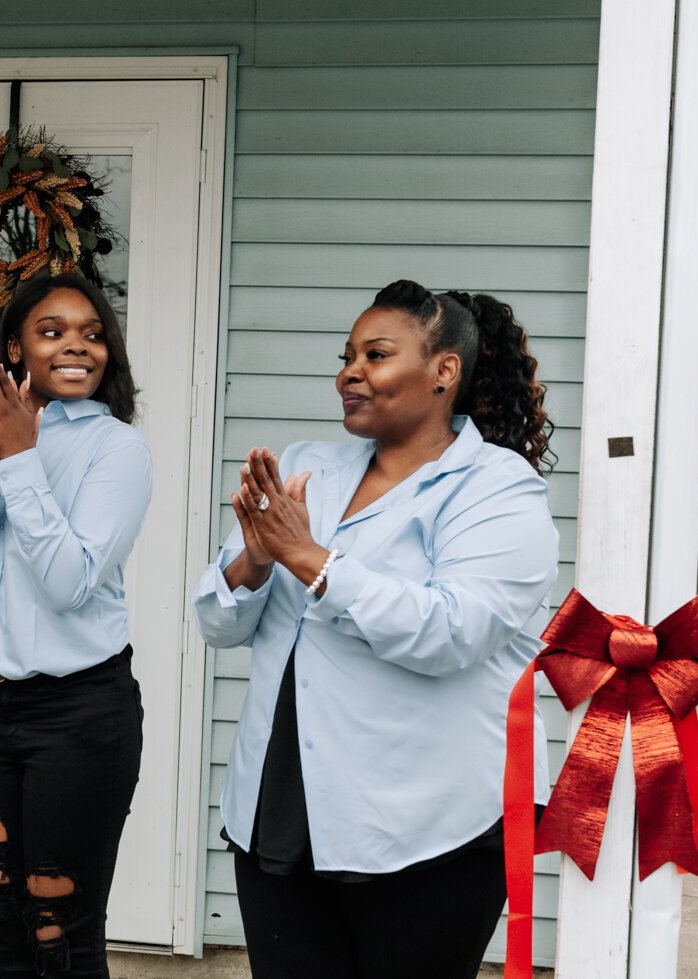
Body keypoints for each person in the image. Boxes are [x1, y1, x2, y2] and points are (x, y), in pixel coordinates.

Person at [193, 279, 558, 978]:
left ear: (444, 371)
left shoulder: (497, 490)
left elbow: (453, 632)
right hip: (280, 810)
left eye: (376, 354)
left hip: (428, 824)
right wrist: (257, 558)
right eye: (348, 355)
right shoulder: (308, 468)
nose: (349, 372)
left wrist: (310, 558)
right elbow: (217, 622)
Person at [0, 274, 151, 978]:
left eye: (93, 332)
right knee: (4, 921)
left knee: (60, 930)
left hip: (77, 714)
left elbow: (70, 582)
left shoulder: (117, 451)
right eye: (52, 330)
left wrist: (18, 462)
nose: (77, 344)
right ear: (15, 345)